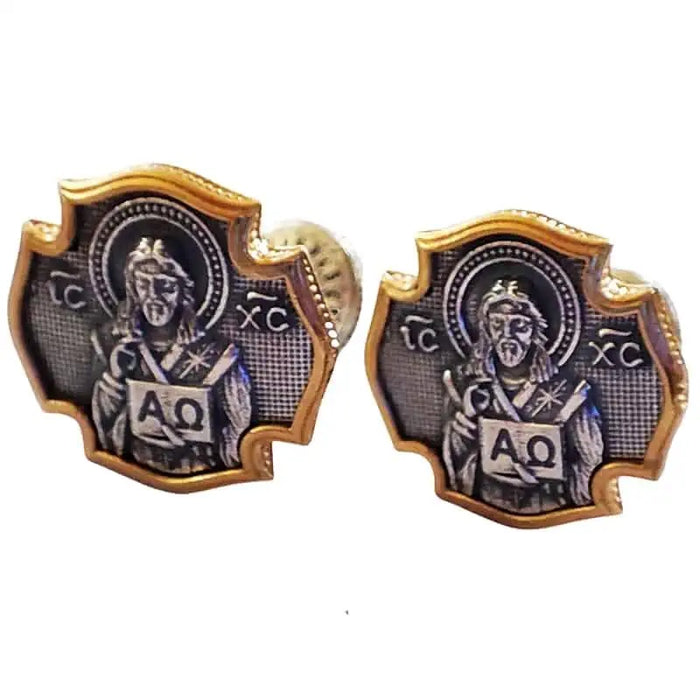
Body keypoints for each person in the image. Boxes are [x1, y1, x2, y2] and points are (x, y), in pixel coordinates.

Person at [91, 237, 252, 474]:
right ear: (133, 290)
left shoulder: (220, 356)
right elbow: (102, 424)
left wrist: (198, 448)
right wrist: (114, 378)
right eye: (143, 284)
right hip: (129, 471)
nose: (153, 296)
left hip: (202, 474)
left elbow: (237, 432)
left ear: (183, 292)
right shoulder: (110, 343)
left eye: (165, 286)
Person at [442, 277, 603, 513]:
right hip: (478, 508)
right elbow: (452, 461)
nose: (507, 336)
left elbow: (591, 463)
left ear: (535, 332)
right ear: (486, 330)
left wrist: (554, 482)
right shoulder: (464, 385)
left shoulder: (571, 395)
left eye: (519, 325)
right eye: (498, 324)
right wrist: (461, 436)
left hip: (550, 508)